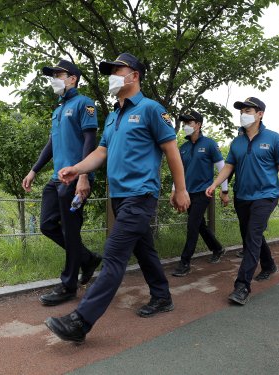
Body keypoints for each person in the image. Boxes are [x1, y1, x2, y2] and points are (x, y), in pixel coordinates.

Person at [44, 53, 190, 343]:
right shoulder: (114, 115)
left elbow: (171, 150)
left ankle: (80, 321)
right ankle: (162, 296)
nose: (110, 75)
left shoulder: (151, 110)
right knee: (144, 250)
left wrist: (180, 189)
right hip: (120, 196)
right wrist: (77, 168)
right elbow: (101, 152)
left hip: (141, 195)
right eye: (109, 70)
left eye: (116, 70)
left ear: (134, 75)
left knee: (112, 257)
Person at [22, 59, 102, 307]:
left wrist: (84, 176)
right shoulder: (58, 110)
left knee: (71, 230)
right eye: (52, 75)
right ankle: (87, 259)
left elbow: (91, 141)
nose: (54, 78)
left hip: (75, 179)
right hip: (56, 178)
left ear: (73, 79)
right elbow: (52, 144)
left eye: (59, 74)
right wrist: (34, 170)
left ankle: (68, 285)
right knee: (47, 225)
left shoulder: (84, 104)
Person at [206, 97, 279, 305]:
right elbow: (228, 166)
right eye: (242, 111)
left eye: (248, 110)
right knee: (250, 234)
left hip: (266, 195)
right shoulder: (236, 142)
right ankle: (268, 265)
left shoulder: (273, 138)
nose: (243, 114)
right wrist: (215, 184)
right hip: (242, 196)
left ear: (260, 114)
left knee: (253, 235)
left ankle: (242, 286)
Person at [171, 110, 229, 277]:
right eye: (184, 123)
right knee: (199, 225)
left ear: (198, 125)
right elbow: (178, 171)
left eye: (189, 123)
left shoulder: (210, 144)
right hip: (187, 194)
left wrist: (224, 190)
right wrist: (174, 191)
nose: (185, 126)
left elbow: (222, 168)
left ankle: (185, 262)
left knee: (192, 226)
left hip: (204, 192)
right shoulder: (183, 147)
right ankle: (217, 248)